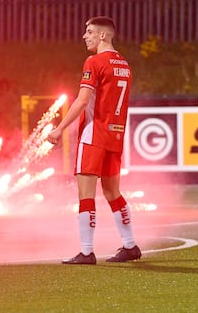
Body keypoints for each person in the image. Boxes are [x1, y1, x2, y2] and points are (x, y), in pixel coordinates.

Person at [47, 16, 141, 264]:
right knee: (112, 192)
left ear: (103, 35)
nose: (84, 36)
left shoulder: (94, 61)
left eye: (89, 31)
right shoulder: (124, 64)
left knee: (86, 194)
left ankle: (87, 251)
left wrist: (59, 129)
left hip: (94, 134)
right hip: (115, 135)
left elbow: (82, 100)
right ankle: (130, 245)